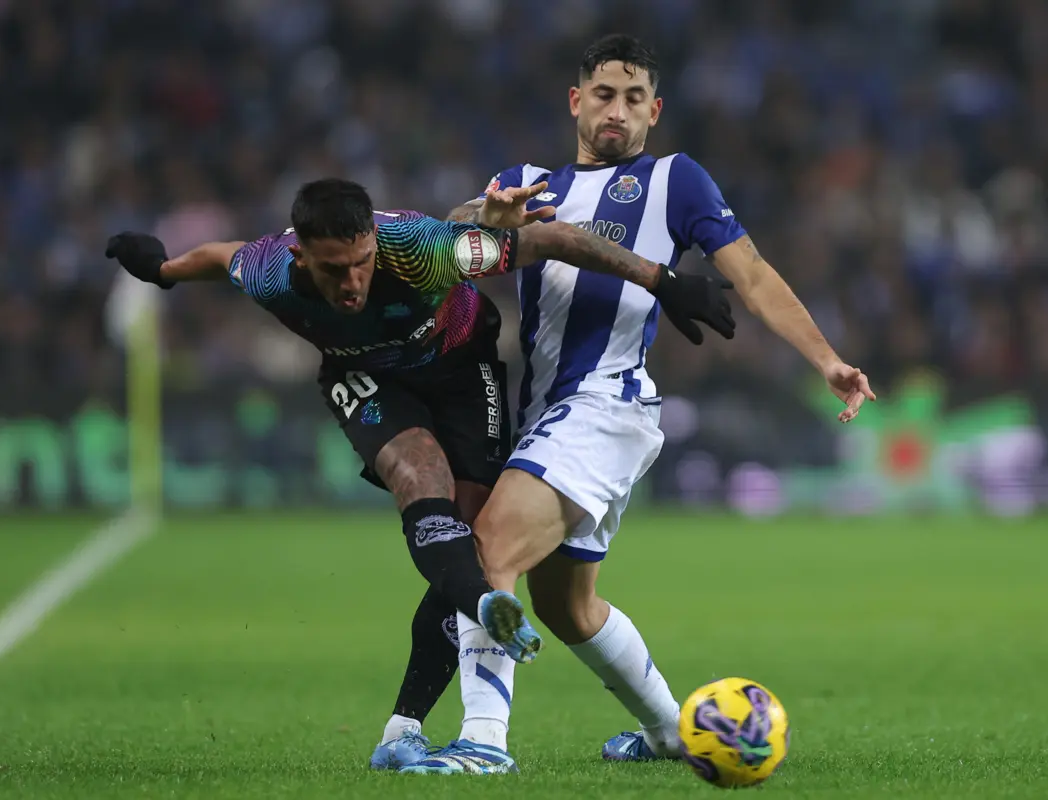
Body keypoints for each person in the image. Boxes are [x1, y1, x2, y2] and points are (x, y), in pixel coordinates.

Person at [103, 176, 736, 766]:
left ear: (374, 243)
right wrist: (161, 271)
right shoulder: (271, 269)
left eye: (360, 263)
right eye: (332, 270)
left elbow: (553, 238)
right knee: (418, 479)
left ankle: (403, 728)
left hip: (464, 370)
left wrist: (664, 279)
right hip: (368, 377)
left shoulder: (423, 249)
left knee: (474, 525)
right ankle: (482, 626)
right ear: (302, 258)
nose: (351, 283)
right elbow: (219, 256)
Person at [396, 34, 875, 776]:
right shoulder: (527, 182)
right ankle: (671, 734)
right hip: (545, 414)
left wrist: (828, 361)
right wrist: (484, 214)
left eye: (632, 99)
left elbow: (750, 276)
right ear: (575, 101)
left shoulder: (673, 181)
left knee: (488, 550)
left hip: (605, 405)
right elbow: (439, 242)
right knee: (567, 606)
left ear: (654, 110)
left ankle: (483, 746)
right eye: (602, 95)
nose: (615, 111)